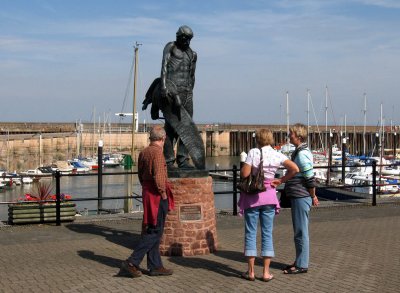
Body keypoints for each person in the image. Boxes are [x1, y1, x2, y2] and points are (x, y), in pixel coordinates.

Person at [238, 129, 299, 282]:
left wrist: (246, 164)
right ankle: (265, 273)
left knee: (250, 233)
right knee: (267, 233)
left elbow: (244, 175)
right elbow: (295, 169)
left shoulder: (253, 152)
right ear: (271, 139)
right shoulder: (277, 154)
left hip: (253, 197)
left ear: (258, 139)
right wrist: (281, 180)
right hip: (270, 196)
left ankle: (250, 272)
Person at [120, 126, 174, 277]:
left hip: (148, 193)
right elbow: (159, 177)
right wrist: (163, 194)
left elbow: (140, 174)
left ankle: (155, 266)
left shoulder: (144, 152)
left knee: (152, 228)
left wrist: (147, 188)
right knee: (155, 231)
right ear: (163, 138)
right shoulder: (158, 153)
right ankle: (132, 261)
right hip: (157, 196)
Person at [275, 123, 319, 274]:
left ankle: (302, 265)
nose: (289, 136)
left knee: (301, 231)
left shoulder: (301, 154)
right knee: (299, 230)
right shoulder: (300, 151)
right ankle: (299, 260)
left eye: (291, 134)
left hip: (301, 196)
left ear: (299, 136)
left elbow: (310, 178)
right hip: (299, 195)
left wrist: (312, 195)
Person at [160, 25, 197, 169]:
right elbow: (164, 66)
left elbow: (192, 75)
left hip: (187, 93)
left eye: (189, 39)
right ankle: (169, 161)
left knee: (187, 128)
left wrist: (189, 91)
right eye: (184, 38)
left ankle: (183, 159)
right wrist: (163, 86)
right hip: (172, 91)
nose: (187, 41)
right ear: (178, 36)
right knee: (171, 126)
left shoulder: (193, 54)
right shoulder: (170, 47)